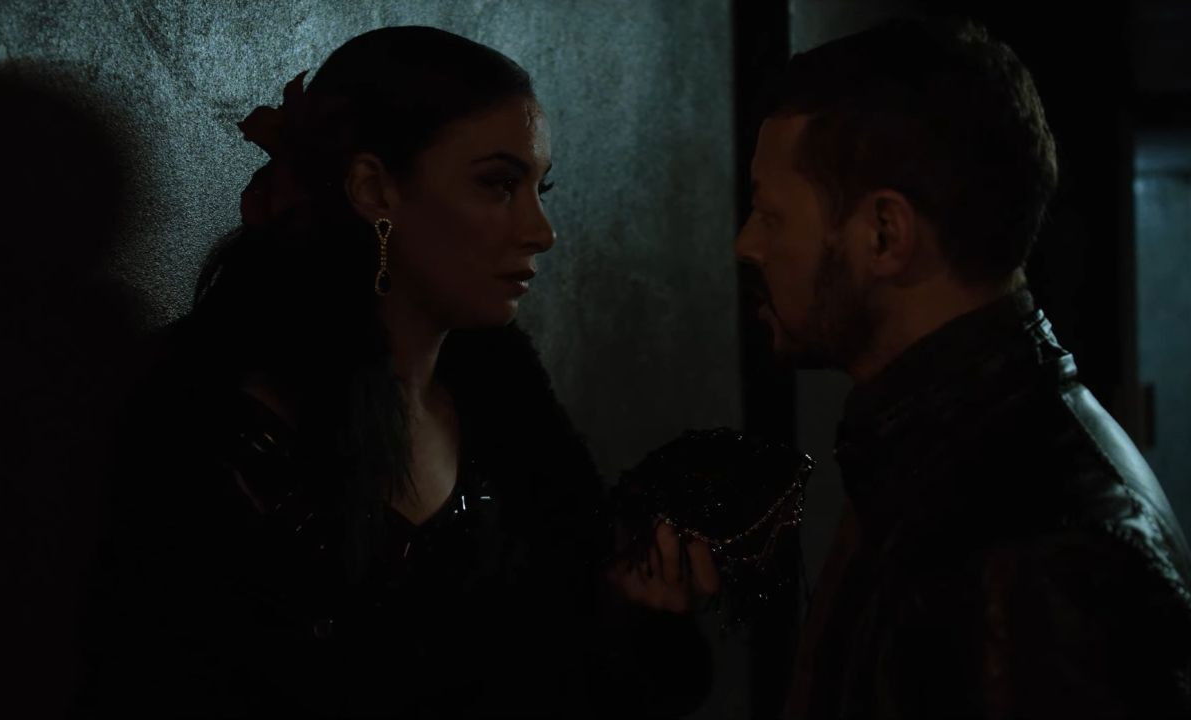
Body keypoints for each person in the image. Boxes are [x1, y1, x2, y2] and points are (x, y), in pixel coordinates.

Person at [80, 26, 715, 718]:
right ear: (373, 188)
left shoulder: (506, 412)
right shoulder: (216, 435)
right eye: (499, 185)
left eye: (542, 187)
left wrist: (630, 619)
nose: (542, 230)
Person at [733, 17, 1191, 717]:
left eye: (770, 216)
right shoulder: (948, 456)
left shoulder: (1039, 548)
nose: (747, 245)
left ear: (884, 235)